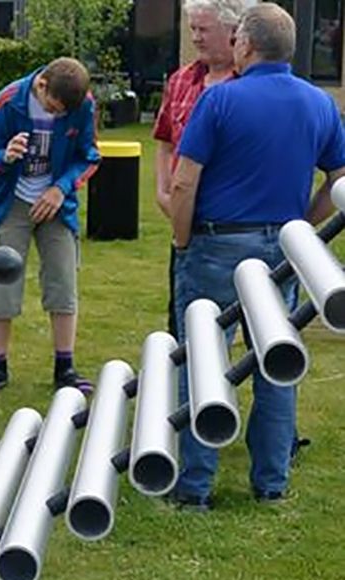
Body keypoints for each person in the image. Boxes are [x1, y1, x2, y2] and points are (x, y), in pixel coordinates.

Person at [169, 2, 345, 509]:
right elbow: (338, 181)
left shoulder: (221, 101)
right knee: (277, 363)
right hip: (282, 252)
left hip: (218, 244)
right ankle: (270, 483)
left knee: (204, 358)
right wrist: (301, 228)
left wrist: (183, 240)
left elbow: (185, 181)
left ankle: (194, 486)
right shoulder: (319, 105)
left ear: (244, 45)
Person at [0, 57, 100, 396]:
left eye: (63, 114)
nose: (58, 117)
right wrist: (5, 156)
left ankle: (65, 366)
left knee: (63, 280)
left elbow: (89, 156)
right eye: (53, 109)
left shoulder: (83, 104)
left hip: (57, 203)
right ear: (41, 85)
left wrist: (60, 188)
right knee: (1, 281)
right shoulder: (9, 100)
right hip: (11, 202)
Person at [153, 0, 244, 336]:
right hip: (185, 223)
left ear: (234, 31)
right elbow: (164, 140)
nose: (196, 37)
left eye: (203, 29)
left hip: (233, 222)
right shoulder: (181, 80)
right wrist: (163, 191)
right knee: (186, 327)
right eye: (192, 29)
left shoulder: (248, 83)